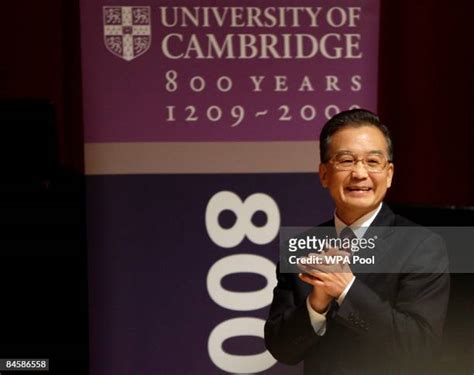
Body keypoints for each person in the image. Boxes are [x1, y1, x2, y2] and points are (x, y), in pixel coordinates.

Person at [264, 109, 450, 374]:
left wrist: (346, 289)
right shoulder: (302, 246)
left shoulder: (422, 246)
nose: (360, 173)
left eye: (373, 162)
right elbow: (282, 349)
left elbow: (420, 348)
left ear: (389, 174)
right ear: (324, 174)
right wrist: (315, 305)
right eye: (346, 160)